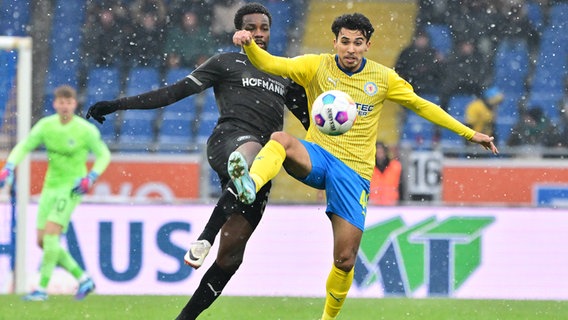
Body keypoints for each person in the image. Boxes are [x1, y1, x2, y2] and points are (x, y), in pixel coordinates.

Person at [231, 13, 498, 320]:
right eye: (345, 42)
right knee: (281, 139)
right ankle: (250, 182)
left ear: (368, 45)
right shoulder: (315, 65)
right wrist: (249, 46)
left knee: (345, 260)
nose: (351, 49)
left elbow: (423, 106)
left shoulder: (383, 78)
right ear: (335, 42)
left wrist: (470, 133)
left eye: (358, 43)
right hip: (318, 156)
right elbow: (270, 64)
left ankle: (328, 318)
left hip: (354, 174)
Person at [85, 3, 308, 319]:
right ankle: (206, 235)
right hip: (229, 140)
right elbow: (171, 94)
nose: (259, 33)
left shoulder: (285, 72)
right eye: (252, 27)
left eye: (264, 28)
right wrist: (117, 104)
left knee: (231, 258)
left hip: (261, 168)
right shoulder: (226, 62)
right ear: (239, 32)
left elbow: (314, 121)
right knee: (253, 151)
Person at [0, 85, 111, 301]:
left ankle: (41, 289)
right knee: (42, 241)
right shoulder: (46, 126)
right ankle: (84, 279)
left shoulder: (85, 130)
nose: (65, 106)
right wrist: (10, 166)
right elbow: (24, 145)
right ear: (55, 104)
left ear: (74, 104)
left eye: (68, 103)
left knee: (51, 234)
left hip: (71, 188)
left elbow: (104, 154)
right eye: (61, 102)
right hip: (49, 187)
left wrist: (92, 177)